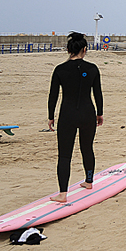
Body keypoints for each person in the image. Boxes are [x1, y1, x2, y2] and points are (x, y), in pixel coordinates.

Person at [47, 32, 104, 203]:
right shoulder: (92, 68)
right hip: (88, 113)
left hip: (67, 115)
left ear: (68, 50)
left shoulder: (60, 70)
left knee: (65, 155)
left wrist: (51, 116)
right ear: (84, 49)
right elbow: (98, 94)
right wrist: (99, 113)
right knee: (87, 148)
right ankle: (89, 181)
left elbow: (53, 95)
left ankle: (63, 194)